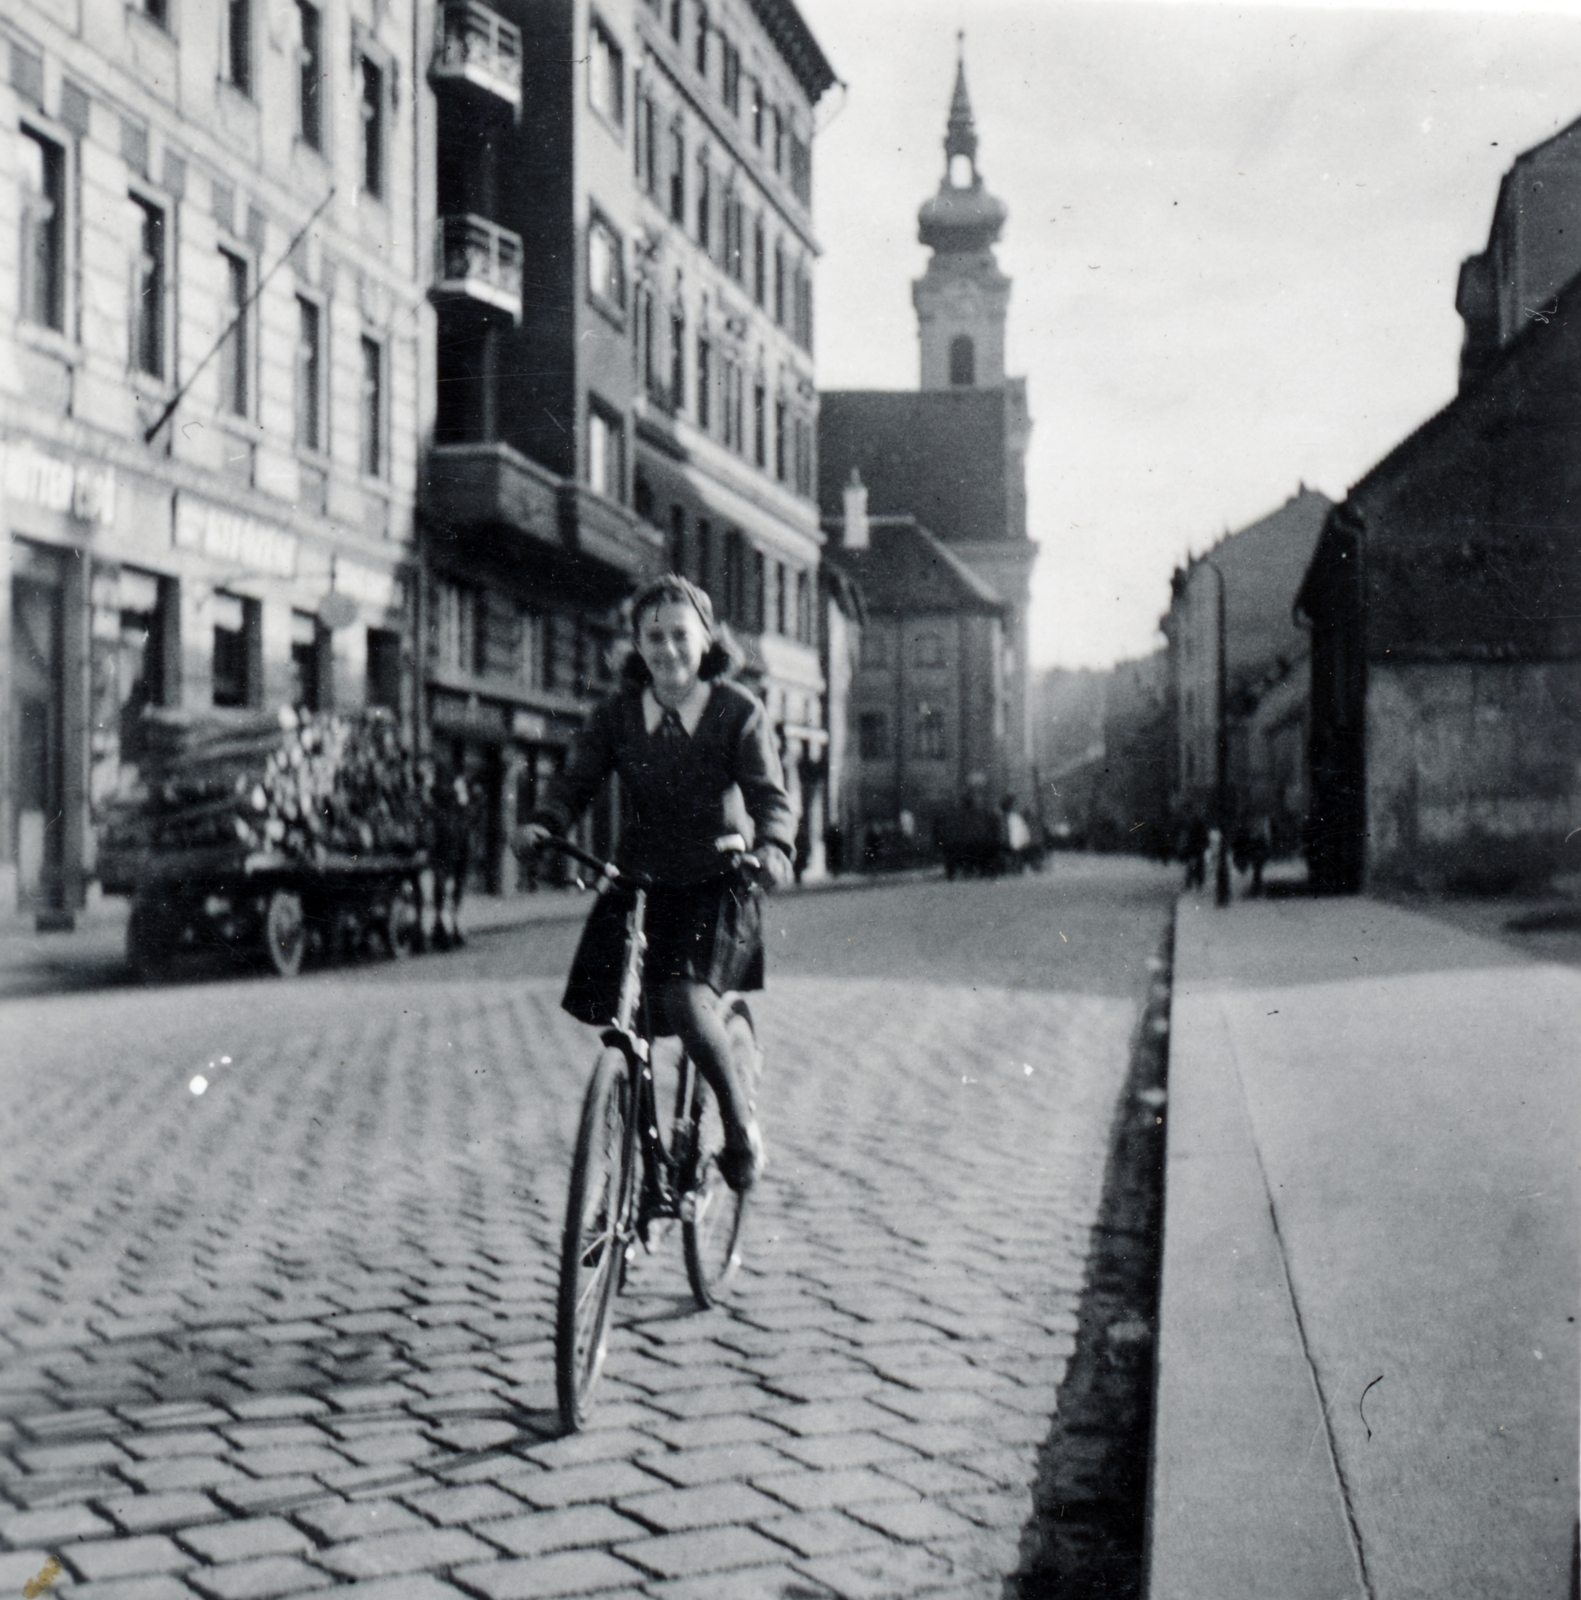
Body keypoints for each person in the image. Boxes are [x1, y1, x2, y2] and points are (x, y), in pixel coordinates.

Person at [519, 575, 796, 1191]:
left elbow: (770, 798)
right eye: (654, 637)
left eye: (680, 636)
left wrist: (774, 847)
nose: (668, 650)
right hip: (640, 880)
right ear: (637, 646)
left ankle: (739, 1125)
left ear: (706, 643)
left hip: (718, 881)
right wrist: (545, 822)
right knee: (622, 1008)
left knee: (685, 1004)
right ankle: (646, 1163)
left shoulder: (736, 712)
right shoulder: (618, 715)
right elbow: (575, 781)